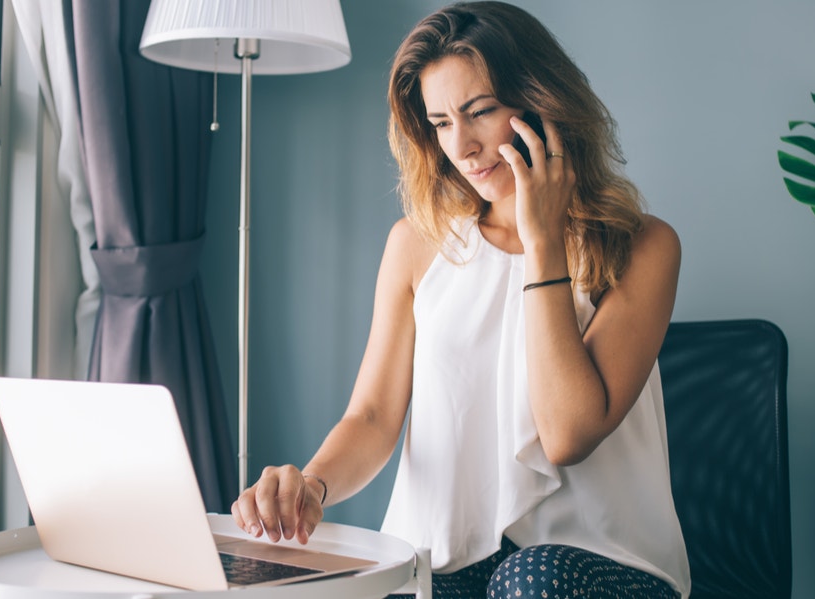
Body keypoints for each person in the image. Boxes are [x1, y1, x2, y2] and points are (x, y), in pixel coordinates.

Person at [231, 2, 690, 597]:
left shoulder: (644, 247)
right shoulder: (417, 245)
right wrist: (312, 486)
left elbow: (567, 434)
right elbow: (372, 418)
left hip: (598, 564)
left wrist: (543, 240)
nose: (464, 147)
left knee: (533, 581)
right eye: (441, 122)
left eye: (481, 112)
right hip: (444, 566)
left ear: (542, 104)